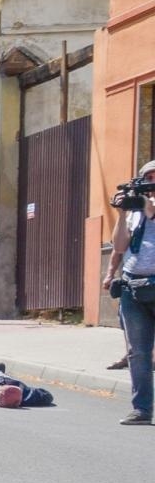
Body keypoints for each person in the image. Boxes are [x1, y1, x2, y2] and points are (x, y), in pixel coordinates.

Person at [104, 167, 155, 425]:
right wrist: (123, 215)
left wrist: (145, 202)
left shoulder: (146, 206)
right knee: (138, 353)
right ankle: (142, 409)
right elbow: (120, 246)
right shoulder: (135, 211)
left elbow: (151, 210)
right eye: (149, 177)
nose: (152, 182)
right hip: (133, 288)